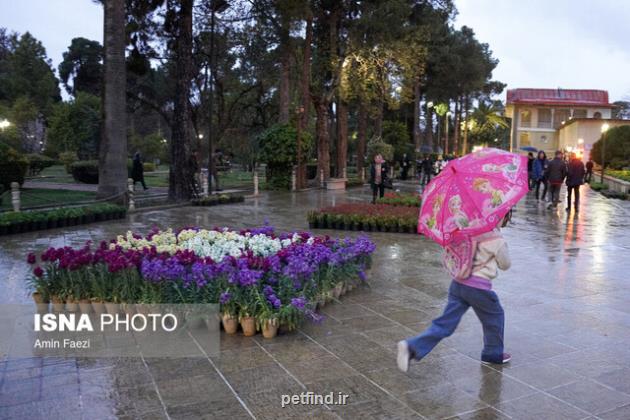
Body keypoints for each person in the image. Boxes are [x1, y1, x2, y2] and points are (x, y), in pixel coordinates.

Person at [397, 211, 513, 371]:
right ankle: (492, 354)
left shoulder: (468, 229)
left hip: (458, 283)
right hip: (479, 288)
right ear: (502, 217)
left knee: (445, 323)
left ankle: (412, 347)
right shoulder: (496, 239)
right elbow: (505, 264)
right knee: (495, 317)